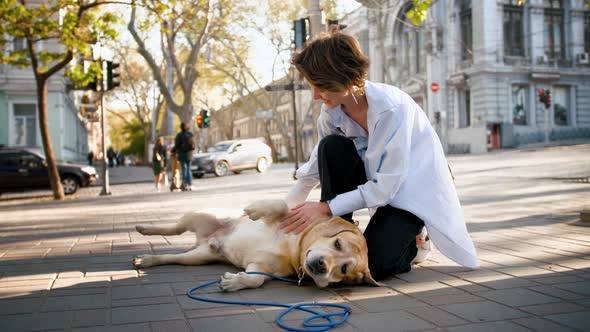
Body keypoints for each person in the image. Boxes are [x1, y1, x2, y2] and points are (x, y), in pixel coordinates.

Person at [281, 32, 478, 281]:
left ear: (341, 78)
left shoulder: (391, 109)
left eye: (319, 86)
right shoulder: (331, 112)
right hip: (379, 188)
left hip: (411, 195)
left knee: (376, 265)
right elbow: (315, 166)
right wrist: (285, 210)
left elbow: (386, 188)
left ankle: (416, 243)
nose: (315, 95)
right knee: (330, 147)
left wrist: (325, 207)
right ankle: (337, 235)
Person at [172, 122, 195, 191]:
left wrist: (172, 151)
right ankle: (190, 184)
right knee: (189, 169)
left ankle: (185, 184)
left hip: (182, 155)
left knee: (184, 169)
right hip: (190, 154)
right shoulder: (191, 134)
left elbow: (177, 145)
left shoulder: (179, 135)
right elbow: (193, 145)